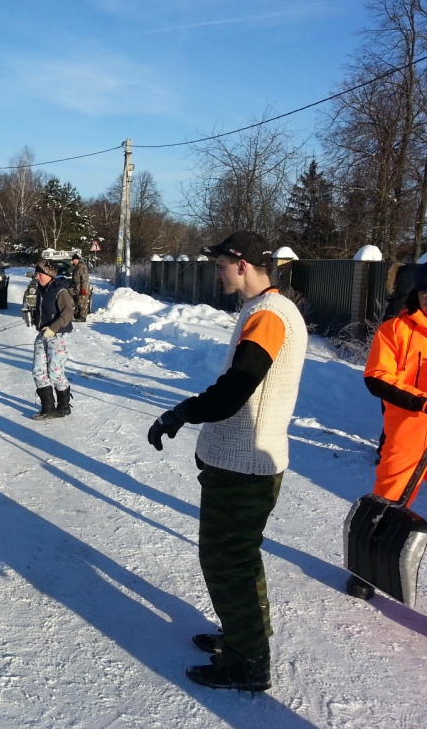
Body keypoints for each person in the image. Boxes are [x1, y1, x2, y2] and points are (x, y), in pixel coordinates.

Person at [146, 231, 307, 692]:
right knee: (240, 557)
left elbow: (237, 388)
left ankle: (247, 662)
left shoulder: (269, 315)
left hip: (244, 466)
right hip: (247, 463)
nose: (217, 274)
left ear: (242, 264)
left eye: (221, 266)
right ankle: (243, 635)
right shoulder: (267, 310)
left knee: (226, 560)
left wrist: (183, 412)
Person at [347, 262, 427, 600]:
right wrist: (420, 400)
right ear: (416, 294)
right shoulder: (395, 330)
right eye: (426, 293)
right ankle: (366, 569)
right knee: (387, 503)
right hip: (408, 433)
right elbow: (377, 377)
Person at [30, 260, 75, 420]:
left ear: (49, 274)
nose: (37, 277)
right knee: (38, 371)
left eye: (40, 274)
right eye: (36, 274)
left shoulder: (60, 290)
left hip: (58, 335)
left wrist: (53, 328)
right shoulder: (41, 290)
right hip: (43, 334)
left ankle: (63, 407)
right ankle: (48, 407)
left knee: (55, 373)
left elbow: (68, 313)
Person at [70, 253, 90, 322]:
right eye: (73, 260)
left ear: (78, 260)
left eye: (75, 260)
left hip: (83, 288)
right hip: (77, 288)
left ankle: (83, 317)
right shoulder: (76, 267)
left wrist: (84, 289)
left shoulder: (82, 267)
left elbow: (85, 279)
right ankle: (77, 314)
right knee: (77, 301)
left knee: (82, 302)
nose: (74, 261)